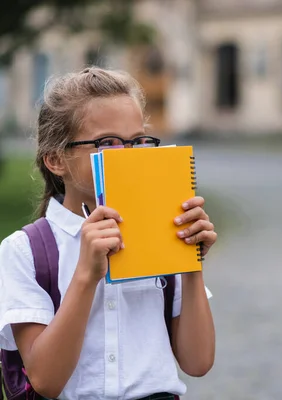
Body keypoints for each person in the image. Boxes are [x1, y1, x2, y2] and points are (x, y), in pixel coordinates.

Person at [0, 67, 217, 399]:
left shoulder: (163, 229)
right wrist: (86, 276)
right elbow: (45, 380)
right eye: (107, 143)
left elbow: (198, 361)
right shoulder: (24, 251)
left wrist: (192, 265)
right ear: (56, 159)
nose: (127, 156)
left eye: (137, 142)